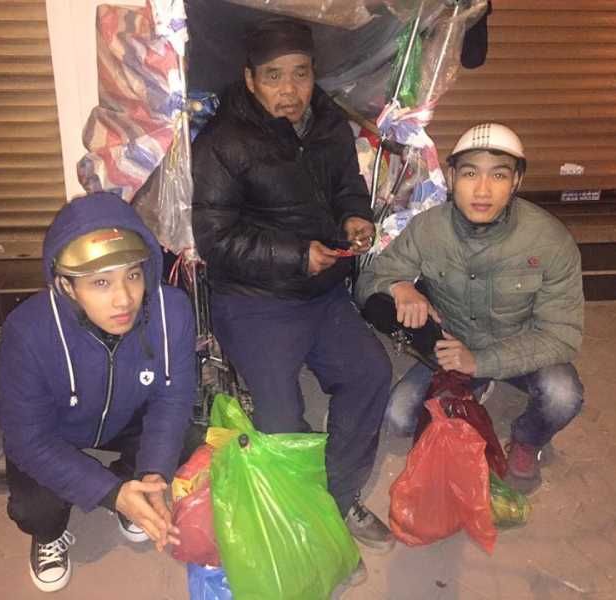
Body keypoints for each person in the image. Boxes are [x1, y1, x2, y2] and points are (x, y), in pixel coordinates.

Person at [191, 17, 395, 579]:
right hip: (252, 299)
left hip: (321, 293)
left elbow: (349, 187)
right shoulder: (222, 143)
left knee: (371, 375)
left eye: (300, 74)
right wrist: (296, 255)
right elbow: (215, 239)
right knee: (282, 417)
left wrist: (355, 217)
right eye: (274, 76)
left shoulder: (329, 124)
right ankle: (303, 518)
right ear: (250, 79)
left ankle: (334, 500)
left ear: (313, 74)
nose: (289, 90)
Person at [359, 123, 584, 493]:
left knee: (563, 396)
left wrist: (480, 363)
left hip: (522, 347)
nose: (482, 190)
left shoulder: (550, 241)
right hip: (453, 345)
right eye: (469, 174)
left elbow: (561, 337)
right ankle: (473, 389)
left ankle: (527, 439)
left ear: (516, 181)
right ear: (451, 177)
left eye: (499, 175)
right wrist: (399, 286)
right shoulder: (428, 228)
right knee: (399, 418)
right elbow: (369, 280)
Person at [0, 192, 196, 592]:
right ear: (67, 286)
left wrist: (152, 475)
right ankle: (53, 534)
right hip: (57, 431)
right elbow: (25, 438)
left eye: (133, 275)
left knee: (189, 441)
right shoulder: (28, 331)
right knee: (34, 507)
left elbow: (172, 399)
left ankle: (135, 492)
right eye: (100, 282)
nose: (124, 299)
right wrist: (109, 494)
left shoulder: (171, 310)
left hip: (128, 414)